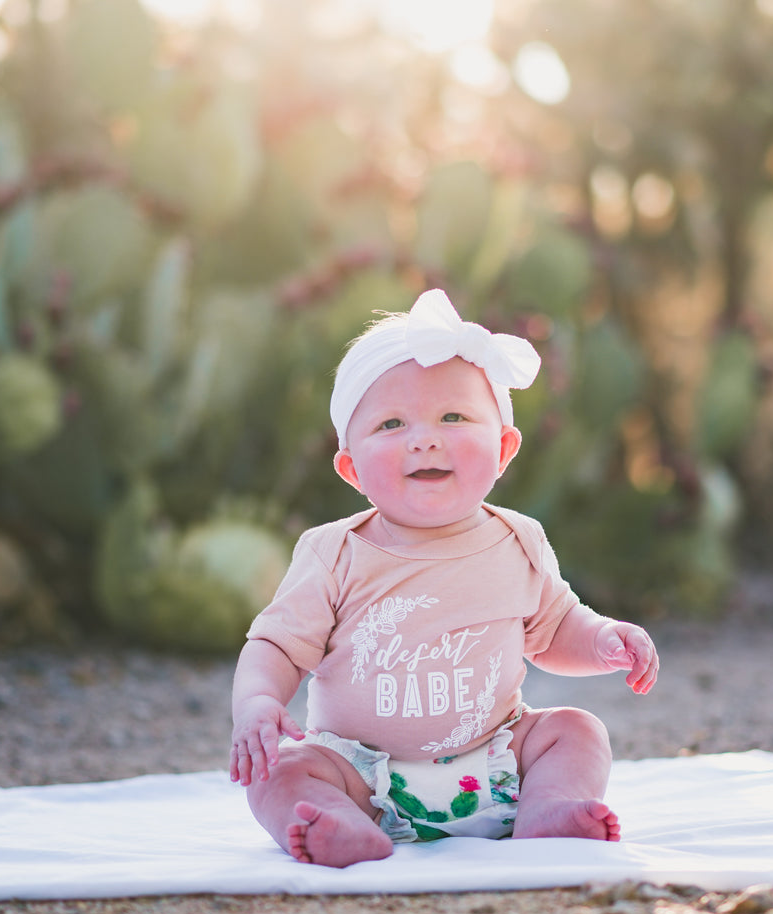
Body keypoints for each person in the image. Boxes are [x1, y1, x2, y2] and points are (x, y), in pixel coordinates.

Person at [229, 288, 659, 867]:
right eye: (391, 423)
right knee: (280, 771)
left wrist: (604, 639)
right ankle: (337, 823)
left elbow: (555, 630)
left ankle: (545, 809)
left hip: (494, 763)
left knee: (577, 732)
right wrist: (257, 701)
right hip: (358, 773)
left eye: (453, 417)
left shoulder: (518, 540)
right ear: (351, 468)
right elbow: (277, 644)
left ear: (504, 449)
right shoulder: (334, 552)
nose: (424, 438)